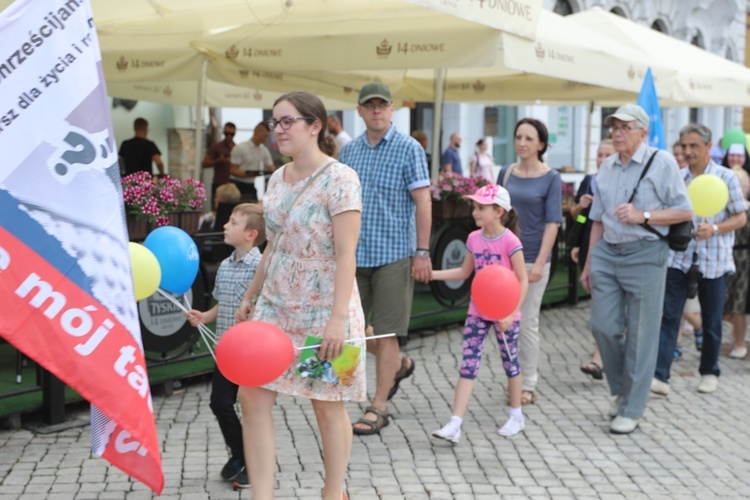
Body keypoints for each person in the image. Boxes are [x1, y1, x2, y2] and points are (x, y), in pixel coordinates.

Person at [236, 91, 364, 500]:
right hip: (275, 304)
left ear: (315, 126)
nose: (279, 130)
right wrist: (250, 295)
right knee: (251, 394)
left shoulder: (341, 178)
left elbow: (347, 256)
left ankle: (333, 494)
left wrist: (337, 320)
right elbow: (273, 246)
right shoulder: (277, 178)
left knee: (327, 403)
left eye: (287, 121)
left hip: (328, 308)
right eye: (275, 122)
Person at [580, 104, 693, 434]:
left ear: (642, 133)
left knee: (641, 335)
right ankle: (620, 390)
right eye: (613, 127)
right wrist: (588, 262)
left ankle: (631, 406)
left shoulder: (662, 163)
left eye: (624, 127)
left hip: (646, 254)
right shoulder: (606, 167)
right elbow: (596, 220)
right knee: (602, 325)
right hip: (607, 253)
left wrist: (643, 215)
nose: (616, 132)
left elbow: (684, 211)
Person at [339, 82, 431, 436]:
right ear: (359, 111)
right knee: (351, 330)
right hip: (355, 254)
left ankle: (379, 405)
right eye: (369, 105)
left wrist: (422, 252)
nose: (376, 110)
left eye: (382, 105)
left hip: (394, 253)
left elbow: (423, 202)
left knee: (389, 332)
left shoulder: (410, 149)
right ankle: (392, 368)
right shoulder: (350, 153)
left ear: (392, 109)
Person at [650, 123, 747, 398]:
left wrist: (715, 229)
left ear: (708, 146)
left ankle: (709, 371)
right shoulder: (676, 177)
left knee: (712, 319)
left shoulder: (726, 178)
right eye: (685, 146)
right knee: (669, 316)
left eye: (694, 146)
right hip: (678, 258)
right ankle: (660, 375)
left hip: (714, 261)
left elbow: (741, 216)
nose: (689, 152)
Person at [430, 184, 528, 443]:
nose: (475, 212)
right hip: (478, 310)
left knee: (510, 362)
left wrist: (511, 313)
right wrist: (432, 274)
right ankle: (455, 423)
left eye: (481, 207)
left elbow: (523, 280)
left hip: (506, 313)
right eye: (474, 207)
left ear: (498, 211)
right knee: (468, 363)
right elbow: (464, 272)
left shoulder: (511, 241)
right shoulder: (473, 238)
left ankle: (516, 415)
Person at [185, 203, 265, 490]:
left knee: (252, 407)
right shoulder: (226, 264)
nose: (225, 226)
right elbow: (223, 303)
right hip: (226, 350)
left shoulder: (260, 268)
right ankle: (241, 454)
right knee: (219, 403)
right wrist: (205, 316)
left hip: (250, 352)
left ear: (250, 234)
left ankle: (252, 462)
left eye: (232, 223)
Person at [497, 118, 562, 406]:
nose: (522, 143)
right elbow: (497, 213)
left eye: (529, 138)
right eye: (518, 137)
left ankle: (529, 383)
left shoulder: (551, 178)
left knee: (527, 322)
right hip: (504, 259)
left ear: (541, 144)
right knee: (505, 322)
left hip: (534, 259)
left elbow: (553, 223)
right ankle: (514, 377)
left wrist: (540, 263)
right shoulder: (506, 172)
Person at [571, 139, 615, 380]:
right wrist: (580, 206)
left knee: (605, 304)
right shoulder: (589, 181)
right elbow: (578, 218)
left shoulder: (624, 182)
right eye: (599, 155)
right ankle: (600, 355)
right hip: (591, 246)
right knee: (600, 303)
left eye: (607, 155)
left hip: (615, 248)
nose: (601, 159)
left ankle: (600, 356)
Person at [724, 167, 750, 359]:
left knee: (739, 305)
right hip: (728, 256)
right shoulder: (722, 208)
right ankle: (737, 339)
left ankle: (740, 343)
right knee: (728, 307)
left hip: (744, 261)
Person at [230, 122, 274, 199]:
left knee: (253, 209)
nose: (266, 139)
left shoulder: (264, 150)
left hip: (251, 185)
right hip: (236, 185)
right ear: (257, 132)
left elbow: (271, 168)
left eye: (267, 137)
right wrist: (251, 174)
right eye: (265, 136)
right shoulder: (240, 148)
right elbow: (233, 170)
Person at [202, 122, 237, 203]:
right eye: (227, 133)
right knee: (216, 208)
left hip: (232, 184)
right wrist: (218, 160)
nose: (229, 136)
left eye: (232, 134)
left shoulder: (236, 148)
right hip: (219, 183)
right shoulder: (217, 147)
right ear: (223, 133)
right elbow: (204, 163)